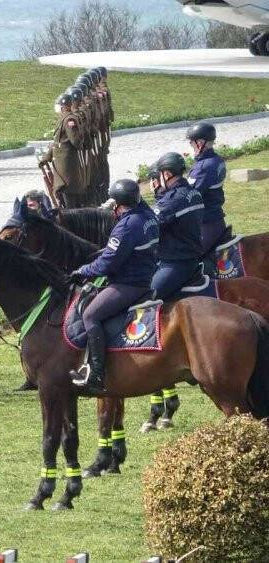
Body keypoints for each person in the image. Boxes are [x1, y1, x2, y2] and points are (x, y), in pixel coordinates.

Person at [68, 179, 158, 393]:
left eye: (114, 202)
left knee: (90, 315)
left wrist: (82, 271)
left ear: (119, 204)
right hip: (145, 277)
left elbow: (107, 264)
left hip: (128, 284)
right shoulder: (148, 216)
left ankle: (96, 374)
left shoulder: (126, 227)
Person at [149, 153, 204, 300]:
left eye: (159, 175)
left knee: (145, 298)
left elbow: (148, 226)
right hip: (187, 258)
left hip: (174, 264)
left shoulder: (172, 200)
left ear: (166, 174)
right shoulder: (193, 192)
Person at [185, 122, 228, 256]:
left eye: (191, 143)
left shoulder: (203, 167)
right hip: (216, 220)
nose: (191, 146)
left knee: (185, 258)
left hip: (205, 224)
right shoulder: (217, 160)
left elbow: (188, 196)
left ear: (200, 143)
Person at [39, 92, 85, 209]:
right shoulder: (63, 119)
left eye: (58, 104)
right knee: (63, 195)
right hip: (61, 165)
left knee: (68, 194)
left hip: (67, 166)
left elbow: (76, 142)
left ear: (63, 106)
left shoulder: (69, 120)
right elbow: (57, 142)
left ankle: (72, 217)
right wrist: (46, 158)